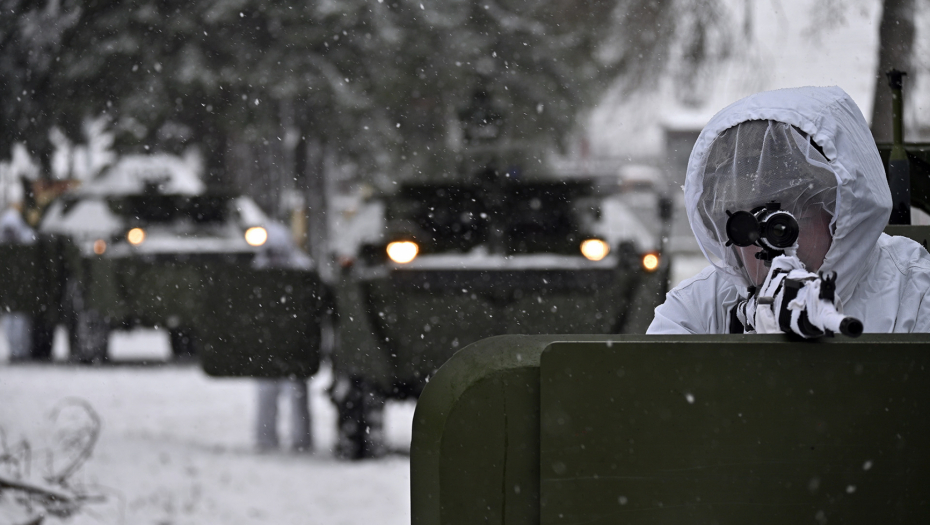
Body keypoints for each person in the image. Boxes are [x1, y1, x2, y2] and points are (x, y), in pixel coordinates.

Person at [648, 86, 930, 334]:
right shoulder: (699, 310)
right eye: (746, 226)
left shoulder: (914, 292)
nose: (770, 247)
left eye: (784, 223)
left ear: (842, 213)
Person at [252, 222, 315, 451]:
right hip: (269, 344)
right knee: (266, 393)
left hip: (296, 344)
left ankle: (302, 441)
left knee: (297, 394)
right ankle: (265, 439)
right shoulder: (258, 270)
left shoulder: (302, 269)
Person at [0, 204, 36, 360]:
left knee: (21, 325)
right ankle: (15, 352)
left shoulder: (27, 244)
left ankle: (21, 352)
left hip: (20, 296)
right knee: (10, 325)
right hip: (10, 297)